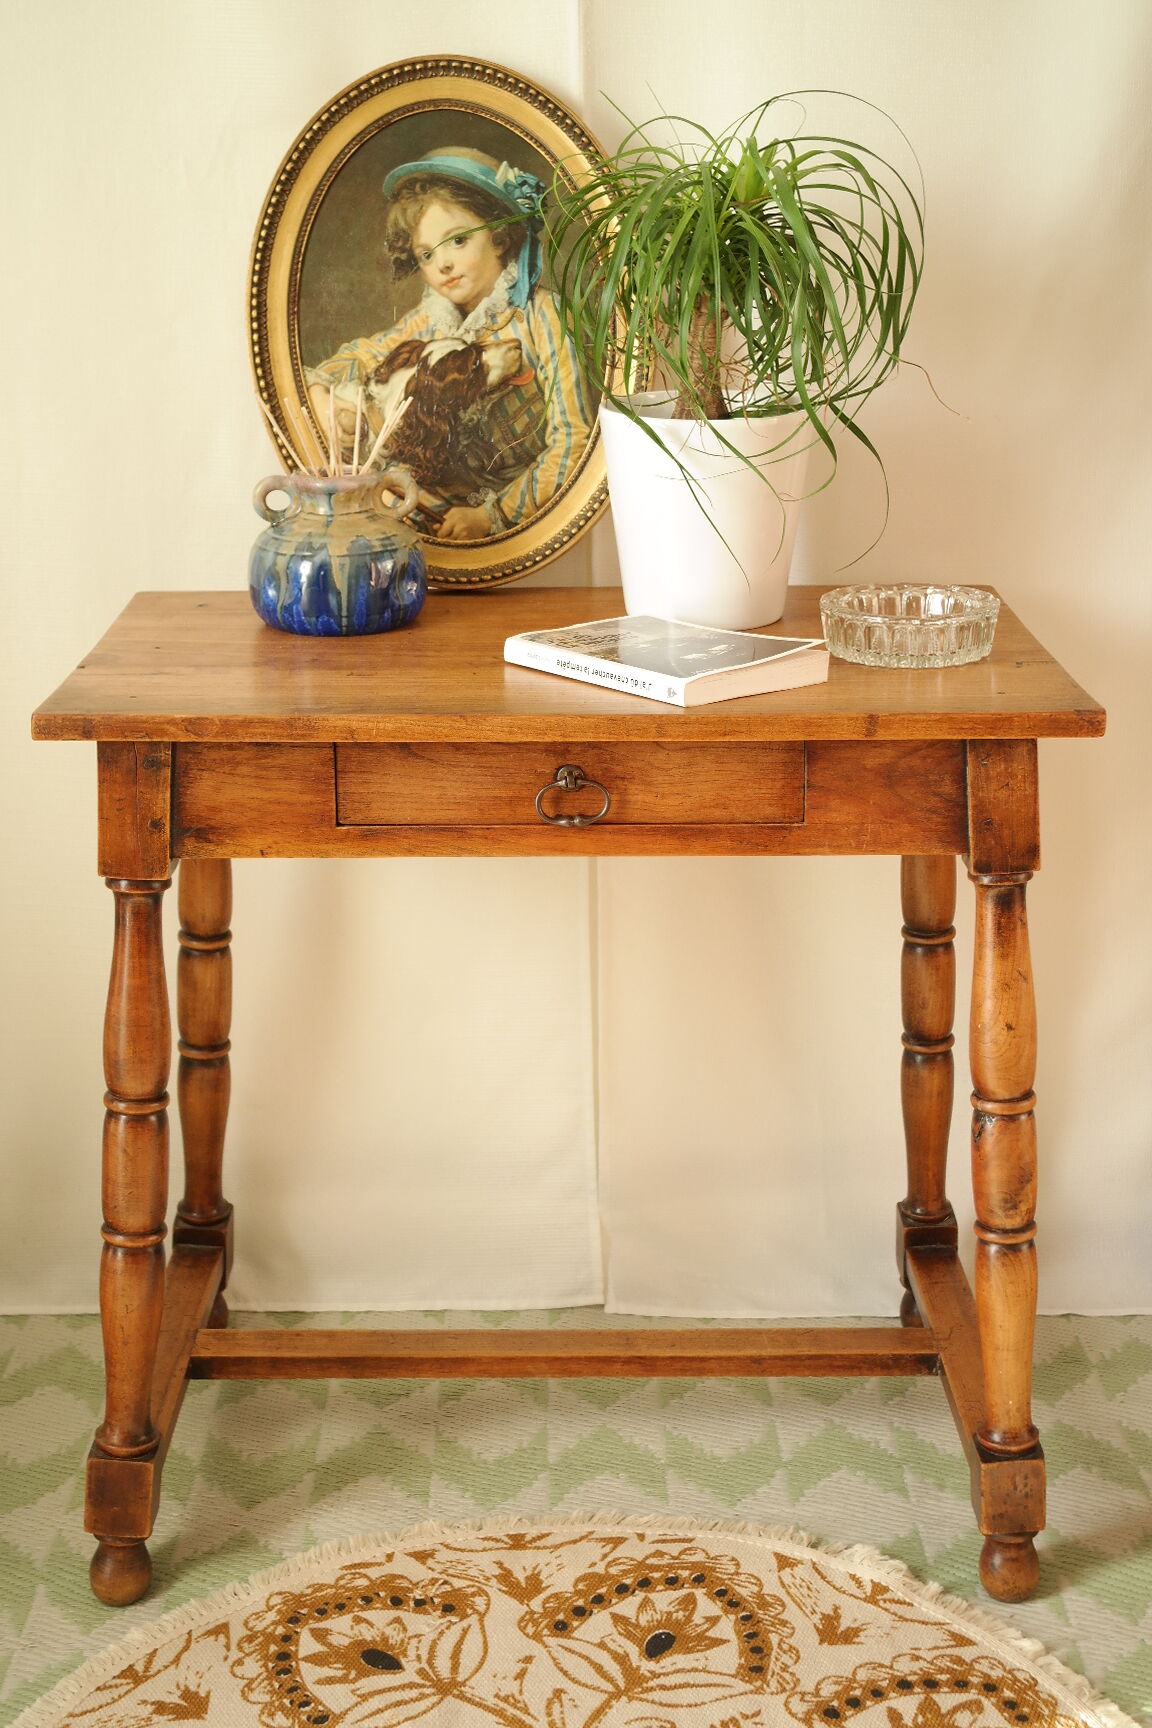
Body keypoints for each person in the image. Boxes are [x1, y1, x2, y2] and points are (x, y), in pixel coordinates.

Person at [306, 148, 595, 541]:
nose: (442, 264)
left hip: (523, 516)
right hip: (438, 514)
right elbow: (356, 358)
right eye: (426, 254)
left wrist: (494, 515)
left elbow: (573, 441)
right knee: (383, 487)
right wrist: (325, 401)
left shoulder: (543, 315)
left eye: (457, 241)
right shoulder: (430, 321)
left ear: (498, 237)